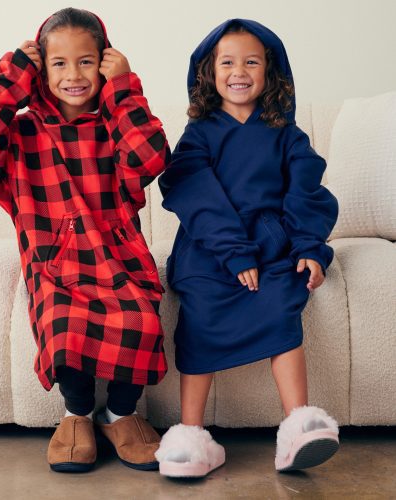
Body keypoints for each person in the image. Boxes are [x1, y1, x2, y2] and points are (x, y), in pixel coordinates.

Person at [0, 7, 169, 473]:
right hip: (53, 260)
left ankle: (120, 415)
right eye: (59, 63)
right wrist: (12, 75)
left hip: (118, 253)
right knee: (63, 323)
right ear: (40, 70)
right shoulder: (21, 132)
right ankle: (76, 416)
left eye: (86, 62)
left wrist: (125, 90)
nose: (74, 75)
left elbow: (151, 159)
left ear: (105, 63)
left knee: (141, 320)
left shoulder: (114, 124)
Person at [154, 19, 339, 478]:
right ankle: (190, 436)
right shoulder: (198, 134)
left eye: (251, 61)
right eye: (228, 62)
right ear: (209, 72)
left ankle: (298, 425)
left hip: (270, 249)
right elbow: (193, 191)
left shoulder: (287, 134)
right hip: (210, 249)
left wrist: (309, 247)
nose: (239, 71)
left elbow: (306, 191)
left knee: (281, 305)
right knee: (198, 316)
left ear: (271, 72)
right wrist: (233, 251)